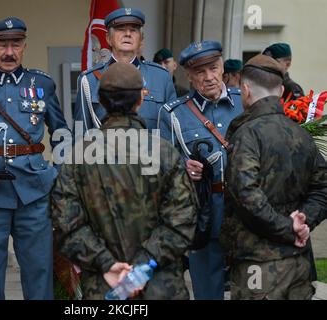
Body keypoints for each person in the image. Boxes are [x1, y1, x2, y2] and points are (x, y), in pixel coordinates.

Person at [51, 62, 198, 300]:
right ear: (141, 99)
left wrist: (106, 264)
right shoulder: (165, 152)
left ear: (100, 100)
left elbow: (66, 224)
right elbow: (182, 220)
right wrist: (140, 268)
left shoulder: (78, 156)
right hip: (160, 285)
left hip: (105, 286)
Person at [0, 17, 69, 300]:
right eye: (2, 44)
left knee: (39, 274)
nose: (9, 52)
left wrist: (59, 173)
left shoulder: (42, 83)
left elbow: (61, 131)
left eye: (16, 44)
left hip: (35, 192)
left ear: (24, 45)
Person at [221, 54, 327, 299]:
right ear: (280, 91)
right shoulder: (301, 135)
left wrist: (289, 228)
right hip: (298, 264)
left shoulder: (246, 135)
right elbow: (322, 189)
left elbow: (246, 194)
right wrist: (303, 222)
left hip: (258, 265)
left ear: (245, 90)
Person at [157, 40, 244, 300]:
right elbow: (164, 167)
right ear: (189, 76)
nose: (208, 77)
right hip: (204, 210)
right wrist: (182, 168)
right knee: (207, 289)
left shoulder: (244, 102)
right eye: (199, 72)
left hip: (245, 208)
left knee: (253, 286)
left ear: (222, 69)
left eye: (213, 69)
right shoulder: (173, 114)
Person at [74, 8, 176, 133]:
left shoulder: (161, 77)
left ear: (141, 39)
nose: (127, 34)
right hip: (105, 151)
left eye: (133, 30)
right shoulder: (89, 80)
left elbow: (171, 132)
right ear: (108, 39)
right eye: (120, 29)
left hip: (151, 151)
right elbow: (81, 134)